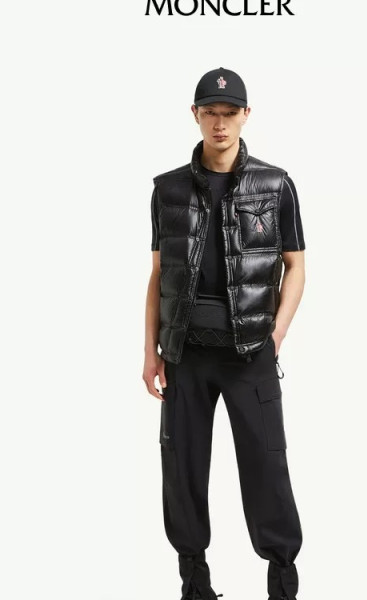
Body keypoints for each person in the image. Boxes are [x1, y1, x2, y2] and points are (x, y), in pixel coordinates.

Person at [143, 67, 306, 600]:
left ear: (245, 115)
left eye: (229, 112)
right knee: (183, 468)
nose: (220, 123)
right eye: (210, 112)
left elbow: (296, 266)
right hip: (185, 353)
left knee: (266, 467)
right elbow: (158, 275)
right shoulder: (166, 189)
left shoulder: (275, 184)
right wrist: (151, 352)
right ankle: (195, 583)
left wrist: (276, 335)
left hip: (250, 352)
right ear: (195, 115)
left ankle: (282, 582)